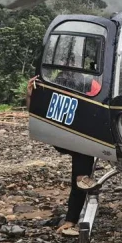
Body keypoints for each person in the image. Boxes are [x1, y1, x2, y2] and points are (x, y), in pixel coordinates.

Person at [26, 75, 95, 233]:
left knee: (80, 176)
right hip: (69, 140)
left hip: (84, 139)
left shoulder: (87, 97)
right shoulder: (53, 98)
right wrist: (30, 95)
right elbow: (35, 113)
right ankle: (71, 218)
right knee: (80, 176)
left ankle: (72, 218)